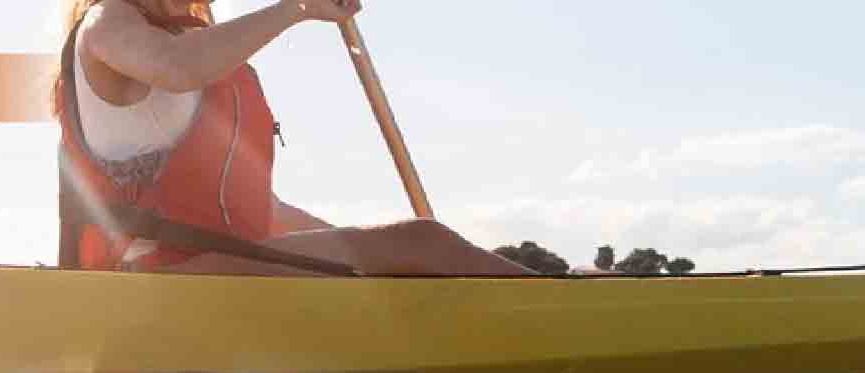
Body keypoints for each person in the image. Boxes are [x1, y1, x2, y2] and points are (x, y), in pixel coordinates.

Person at [56, 0, 533, 276]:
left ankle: (551, 291)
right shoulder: (107, 22)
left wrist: (362, 252)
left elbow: (263, 211)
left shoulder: (188, 38)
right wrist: (298, 7)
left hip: (212, 265)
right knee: (427, 242)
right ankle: (565, 304)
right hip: (160, 278)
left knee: (410, 252)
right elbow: (180, 67)